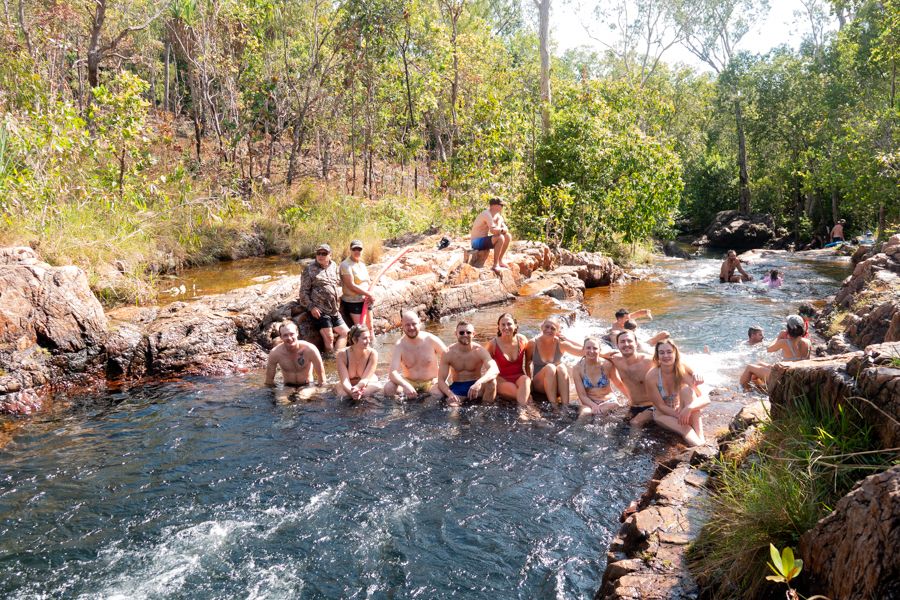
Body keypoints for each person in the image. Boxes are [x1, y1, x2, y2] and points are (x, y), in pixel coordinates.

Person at [645, 339, 709, 447]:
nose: (666, 355)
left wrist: (688, 409)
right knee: (686, 428)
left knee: (687, 391)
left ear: (675, 353)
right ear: (657, 356)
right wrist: (680, 415)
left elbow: (706, 399)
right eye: (662, 353)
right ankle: (702, 449)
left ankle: (702, 443)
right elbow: (660, 406)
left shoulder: (682, 370)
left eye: (669, 352)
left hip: (681, 409)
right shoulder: (651, 376)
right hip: (662, 414)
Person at [384, 310, 448, 399]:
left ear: (420, 323)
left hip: (431, 382)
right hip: (410, 382)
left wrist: (442, 379)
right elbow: (392, 373)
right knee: (388, 388)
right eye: (407, 325)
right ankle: (396, 412)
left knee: (437, 394)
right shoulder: (400, 345)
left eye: (414, 324)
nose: (411, 327)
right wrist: (405, 385)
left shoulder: (431, 340)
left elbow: (450, 360)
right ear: (402, 325)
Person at [299, 243, 349, 354]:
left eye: (324, 253)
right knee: (329, 338)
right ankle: (329, 361)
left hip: (334, 309)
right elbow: (303, 292)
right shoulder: (309, 269)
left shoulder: (334, 265)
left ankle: (337, 357)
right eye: (318, 253)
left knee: (346, 333)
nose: (320, 256)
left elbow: (337, 282)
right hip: (320, 310)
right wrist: (311, 307)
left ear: (330, 255)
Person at [740, 315, 812, 390]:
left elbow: (768, 349)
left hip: (784, 378)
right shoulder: (808, 342)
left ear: (788, 329)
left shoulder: (784, 342)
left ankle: (742, 391)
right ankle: (760, 388)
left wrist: (779, 337)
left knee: (749, 367)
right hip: (799, 375)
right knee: (759, 364)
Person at [437, 321, 499, 406]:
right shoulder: (448, 352)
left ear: (473, 334)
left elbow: (495, 369)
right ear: (456, 334)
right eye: (461, 332)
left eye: (468, 332)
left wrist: (479, 382)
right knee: (452, 408)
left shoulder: (479, 350)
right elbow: (441, 380)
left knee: (492, 382)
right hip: (458, 387)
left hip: (476, 386)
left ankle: (486, 410)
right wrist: (450, 394)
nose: (465, 335)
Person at [525, 316, 583, 404]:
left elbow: (583, 350)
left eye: (553, 328)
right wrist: (529, 387)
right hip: (539, 385)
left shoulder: (561, 343)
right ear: (542, 327)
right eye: (547, 327)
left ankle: (565, 406)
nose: (549, 330)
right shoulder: (532, 343)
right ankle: (554, 406)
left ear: (557, 332)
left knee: (562, 368)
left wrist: (567, 339)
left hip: (557, 387)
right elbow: (527, 364)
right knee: (550, 367)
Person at [483, 313, 532, 406]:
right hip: (502, 379)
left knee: (526, 380)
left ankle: (524, 411)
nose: (506, 327)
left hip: (520, 377)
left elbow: (528, 363)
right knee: (522, 395)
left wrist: (530, 383)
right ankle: (525, 411)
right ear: (498, 327)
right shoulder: (492, 344)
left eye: (509, 324)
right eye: (503, 324)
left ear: (515, 326)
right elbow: (485, 366)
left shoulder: (522, 339)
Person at [573, 336, 626, 415]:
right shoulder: (577, 369)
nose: (591, 351)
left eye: (595, 348)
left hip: (608, 400)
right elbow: (582, 395)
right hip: (589, 401)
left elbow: (619, 383)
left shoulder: (607, 364)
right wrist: (593, 405)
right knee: (585, 414)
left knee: (603, 412)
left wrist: (632, 400)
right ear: (583, 349)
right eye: (588, 348)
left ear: (600, 350)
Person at [265, 321, 326, 387]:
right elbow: (269, 380)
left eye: (292, 334)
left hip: (307, 385)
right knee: (281, 398)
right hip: (287, 386)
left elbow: (321, 376)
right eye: (285, 335)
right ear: (281, 337)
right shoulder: (275, 353)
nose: (289, 338)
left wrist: (320, 391)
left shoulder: (310, 349)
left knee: (301, 397)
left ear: (297, 333)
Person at [335, 325, 382, 401]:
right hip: (348, 385)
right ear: (354, 339)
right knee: (343, 395)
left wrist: (357, 388)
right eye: (365, 338)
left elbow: (365, 379)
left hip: (368, 383)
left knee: (365, 394)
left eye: (369, 337)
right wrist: (351, 392)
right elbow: (345, 381)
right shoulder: (342, 355)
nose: (368, 341)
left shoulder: (373, 354)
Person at [339, 240, 375, 335]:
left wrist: (369, 294)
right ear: (350, 250)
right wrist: (368, 294)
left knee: (370, 326)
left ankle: (373, 347)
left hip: (366, 299)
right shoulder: (345, 265)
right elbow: (351, 285)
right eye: (354, 249)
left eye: (359, 249)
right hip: (353, 301)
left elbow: (368, 282)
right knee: (361, 329)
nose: (357, 251)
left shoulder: (362, 264)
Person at [469, 197, 512, 273]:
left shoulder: (497, 215)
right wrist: (500, 225)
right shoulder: (486, 214)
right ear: (494, 205)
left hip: (484, 240)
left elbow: (505, 228)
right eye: (501, 205)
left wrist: (501, 226)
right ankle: (495, 265)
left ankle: (500, 260)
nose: (502, 207)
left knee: (508, 236)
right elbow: (494, 231)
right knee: (500, 237)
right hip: (475, 243)